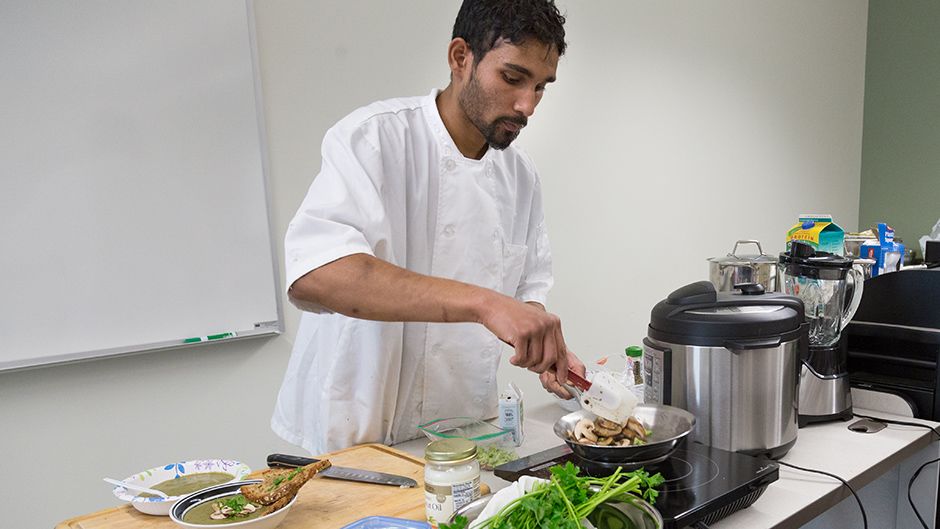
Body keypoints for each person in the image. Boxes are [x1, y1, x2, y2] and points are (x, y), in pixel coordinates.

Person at [272, 0, 585, 454]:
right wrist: (483, 303)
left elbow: (526, 292)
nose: (527, 106)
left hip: (464, 434)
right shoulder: (375, 139)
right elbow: (313, 277)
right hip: (357, 437)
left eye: (541, 87)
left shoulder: (521, 177)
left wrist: (541, 340)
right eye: (513, 78)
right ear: (461, 58)